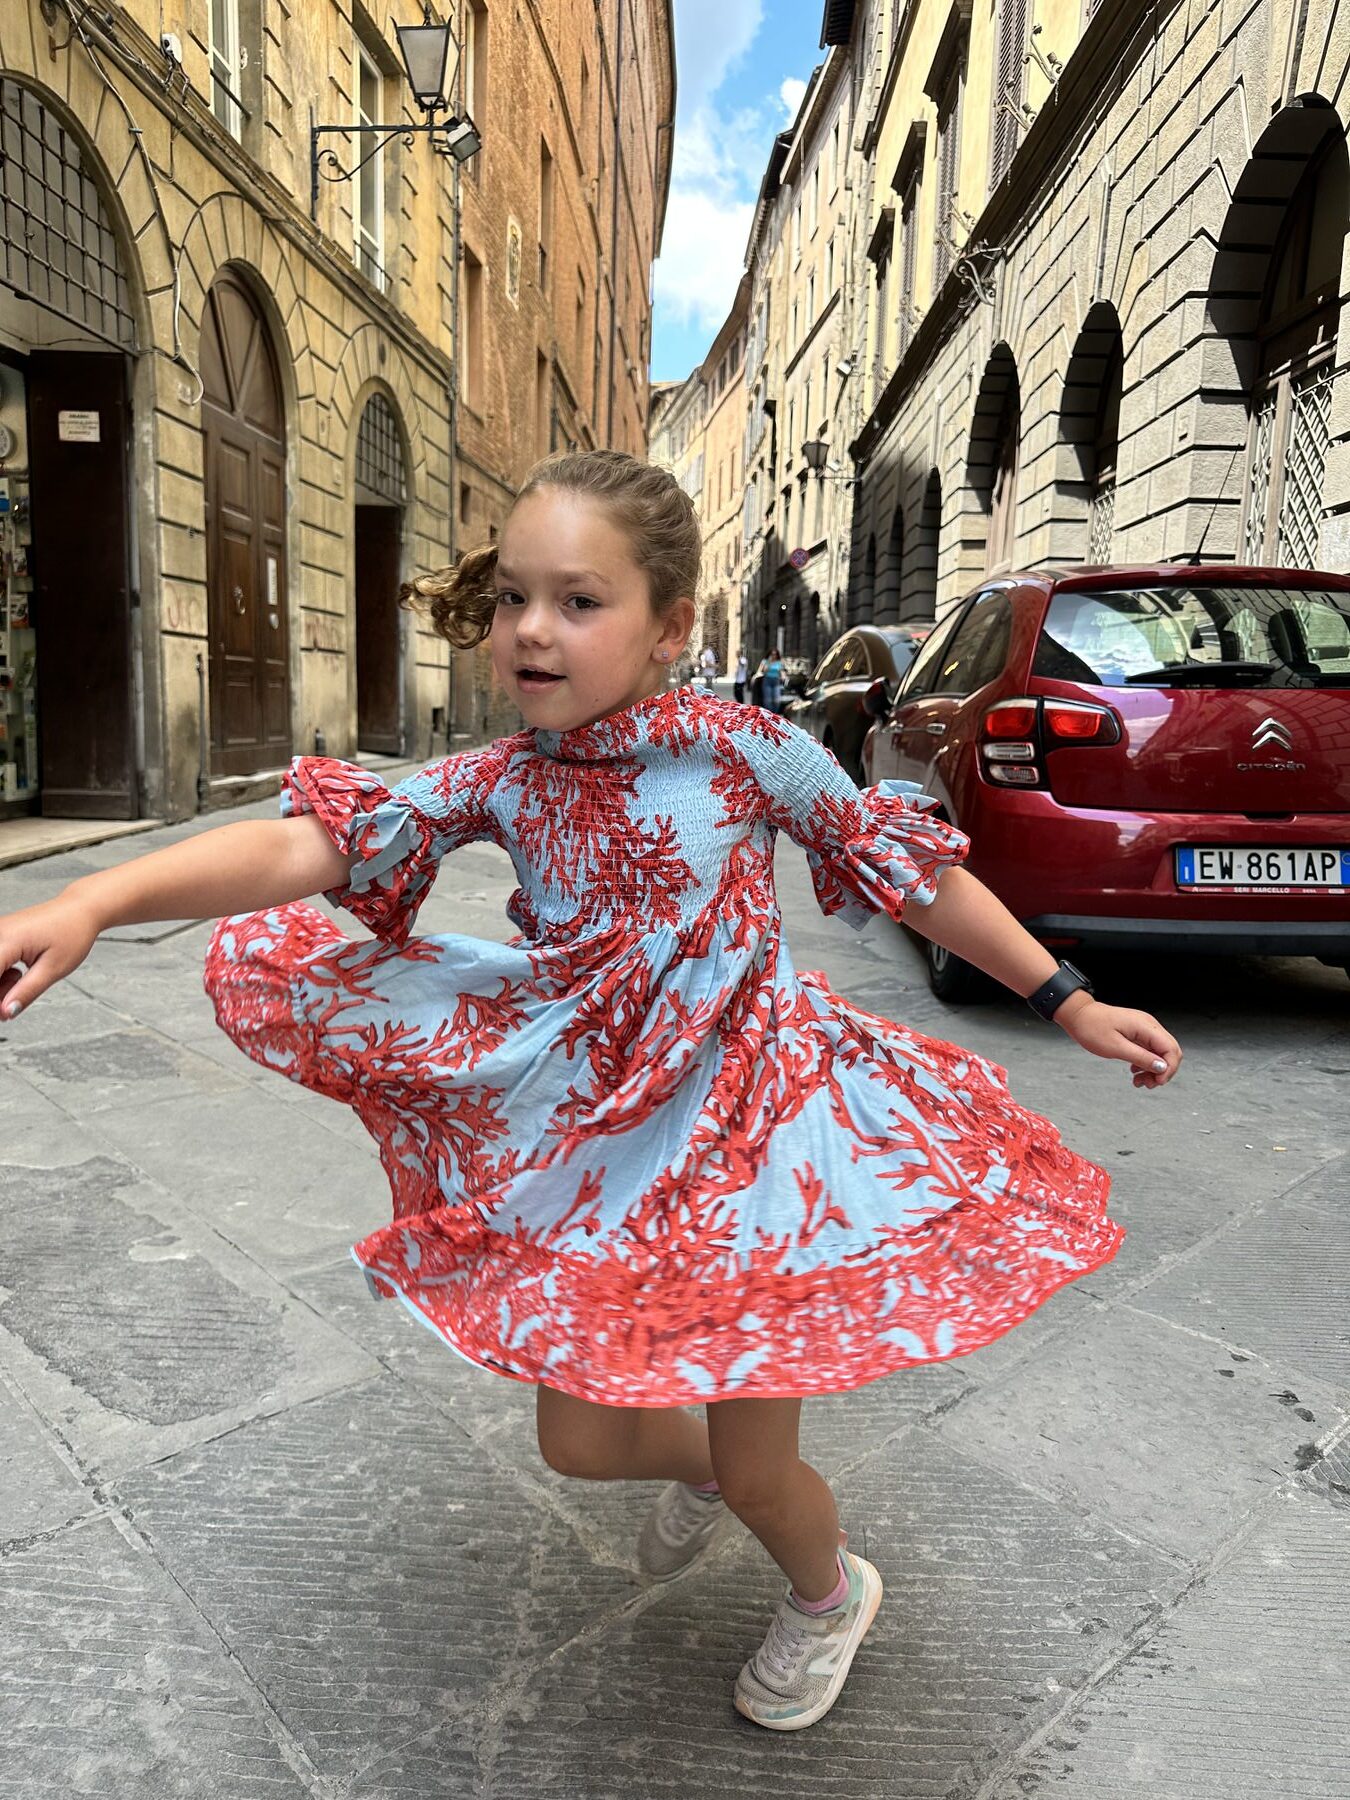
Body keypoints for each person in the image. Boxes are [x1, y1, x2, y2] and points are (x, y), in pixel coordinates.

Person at [0, 449, 1182, 1734]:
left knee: (762, 1468)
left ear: (668, 626)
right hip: (603, 1140)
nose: (531, 629)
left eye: (577, 601)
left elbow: (914, 879)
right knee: (578, 1441)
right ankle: (717, 1474)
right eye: (515, 597)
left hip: (762, 1137)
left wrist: (1065, 996)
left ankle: (829, 1592)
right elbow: (307, 844)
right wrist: (95, 898)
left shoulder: (747, 751)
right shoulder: (504, 778)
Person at [761, 649, 784, 713]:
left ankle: (774, 714)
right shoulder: (765, 661)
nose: (774, 656)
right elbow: (764, 671)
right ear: (769, 655)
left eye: (775, 654)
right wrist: (769, 662)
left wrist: (783, 676)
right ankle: (769, 714)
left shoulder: (779, 662)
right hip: (767, 681)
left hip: (776, 681)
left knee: (777, 701)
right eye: (772, 654)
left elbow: (781, 671)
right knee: (767, 701)